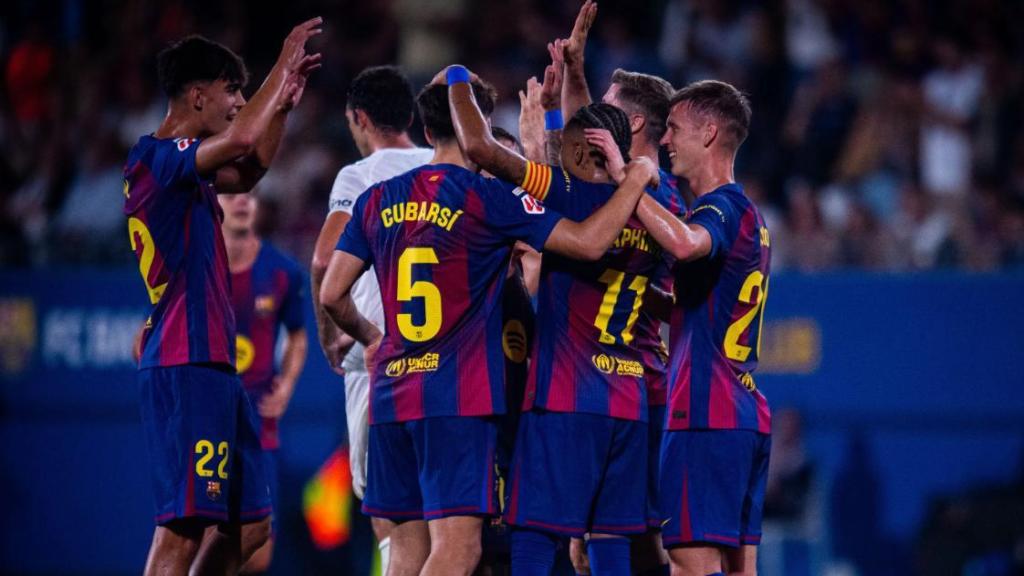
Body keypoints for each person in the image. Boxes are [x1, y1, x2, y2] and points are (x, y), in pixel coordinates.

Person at [320, 67, 657, 576]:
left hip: (391, 394)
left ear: (426, 128)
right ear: (473, 124)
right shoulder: (487, 198)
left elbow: (332, 293)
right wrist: (633, 181)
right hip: (455, 396)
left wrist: (373, 338)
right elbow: (588, 244)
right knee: (458, 551)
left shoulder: (376, 198)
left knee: (406, 551)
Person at [448, 61, 678, 573]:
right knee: (611, 538)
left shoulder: (566, 193)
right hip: (628, 399)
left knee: (534, 531)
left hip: (564, 395)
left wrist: (460, 77)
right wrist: (556, 126)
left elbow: (482, 148)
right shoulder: (664, 205)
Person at [123, 20, 321, 575]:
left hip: (214, 364)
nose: (238, 102)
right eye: (232, 90)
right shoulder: (154, 157)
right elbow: (239, 142)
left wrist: (281, 109)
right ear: (197, 95)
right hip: (185, 361)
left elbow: (248, 172)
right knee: (183, 529)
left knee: (252, 526)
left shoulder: (187, 173)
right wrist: (281, 67)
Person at [552, 6, 686, 572]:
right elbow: (583, 146)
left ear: (630, 124)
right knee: (625, 538)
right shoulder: (650, 193)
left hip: (617, 383)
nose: (596, 116)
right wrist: (575, 72)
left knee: (618, 539)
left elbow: (577, 147)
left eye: (609, 106)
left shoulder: (640, 195)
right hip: (631, 379)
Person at [633, 80, 772, 576]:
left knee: (690, 565)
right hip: (742, 412)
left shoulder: (719, 208)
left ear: (709, 133)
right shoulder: (751, 216)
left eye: (674, 128)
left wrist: (626, 185)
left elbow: (686, 244)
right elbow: (696, 309)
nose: (665, 139)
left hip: (704, 414)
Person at [309, 65, 432, 573]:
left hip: (376, 355)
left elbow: (323, 260)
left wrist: (330, 334)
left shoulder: (358, 176)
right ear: (410, 117)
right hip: (444, 355)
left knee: (389, 513)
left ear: (359, 118)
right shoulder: (443, 164)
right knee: (446, 515)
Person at [219, 192, 308, 573]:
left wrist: (286, 384)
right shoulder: (193, 267)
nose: (243, 201)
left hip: (258, 424)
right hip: (205, 421)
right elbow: (150, 331)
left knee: (259, 551)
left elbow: (298, 336)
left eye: (251, 194)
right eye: (231, 194)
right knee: (197, 535)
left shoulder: (282, 271)